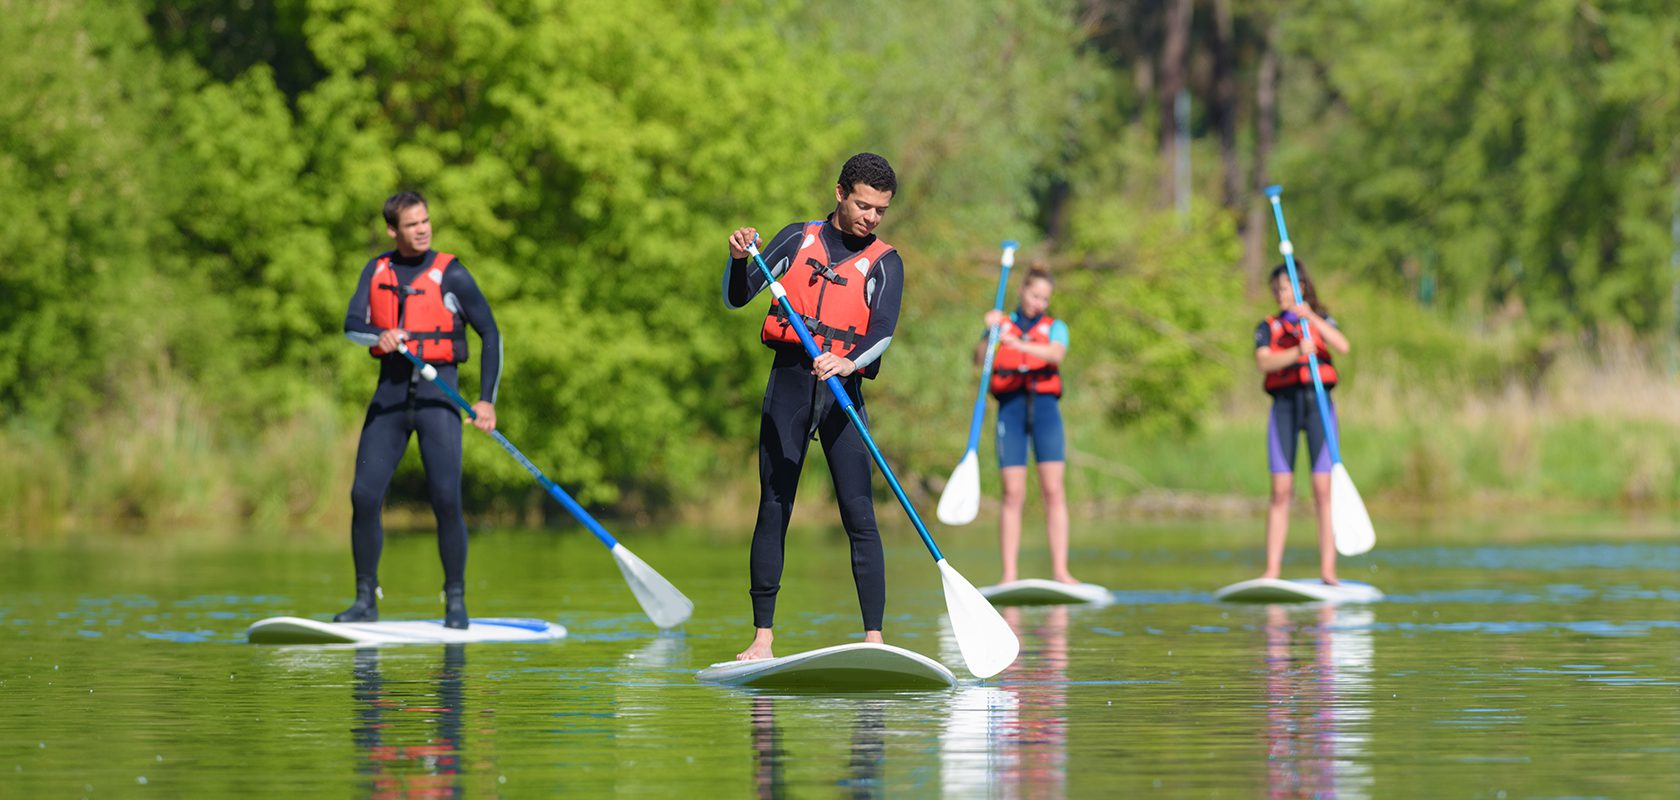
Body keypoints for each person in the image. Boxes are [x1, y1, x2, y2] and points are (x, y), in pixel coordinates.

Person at [722, 153, 904, 661]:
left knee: (859, 513)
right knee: (775, 504)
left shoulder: (886, 261)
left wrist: (847, 365)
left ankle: (875, 639)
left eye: (880, 211)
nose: (871, 217)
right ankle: (762, 639)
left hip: (843, 391)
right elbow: (739, 297)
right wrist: (739, 260)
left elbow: (882, 333)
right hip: (790, 384)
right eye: (863, 205)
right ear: (840, 193)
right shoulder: (796, 238)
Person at [336, 191, 501, 628]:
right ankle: (364, 600)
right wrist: (379, 335)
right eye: (412, 224)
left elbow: (491, 334)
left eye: (426, 221)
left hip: (438, 400)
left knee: (446, 498)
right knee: (364, 496)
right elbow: (352, 326)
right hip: (389, 399)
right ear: (394, 230)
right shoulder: (377, 270)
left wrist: (486, 400)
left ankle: (456, 601)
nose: (423, 229)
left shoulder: (453, 274)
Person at [981, 263, 1078, 586]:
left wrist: (1017, 344)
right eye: (1036, 295)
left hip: (1046, 411)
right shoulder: (1001, 324)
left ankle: (1061, 571)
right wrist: (990, 332)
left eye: (1045, 298)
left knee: (1053, 490)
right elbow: (980, 358)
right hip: (1011, 409)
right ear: (1022, 291)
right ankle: (1009, 574)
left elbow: (1055, 355)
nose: (1040, 302)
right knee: (1012, 493)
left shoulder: (1055, 327)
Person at [1254, 262, 1350, 584]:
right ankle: (1272, 571)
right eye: (1277, 290)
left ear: (1301, 287)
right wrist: (1297, 351)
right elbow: (1263, 361)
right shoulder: (1268, 327)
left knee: (1323, 490)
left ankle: (1328, 571)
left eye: (1286, 289)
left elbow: (1342, 346)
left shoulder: (1320, 320)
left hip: (1319, 405)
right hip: (1284, 407)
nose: (1281, 295)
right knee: (1281, 490)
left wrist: (1310, 318)